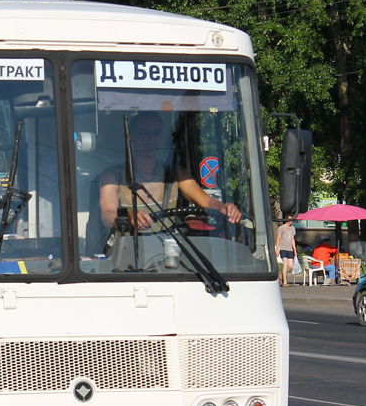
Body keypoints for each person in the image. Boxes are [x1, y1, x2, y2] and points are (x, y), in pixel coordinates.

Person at [99, 111, 241, 232]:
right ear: (133, 137)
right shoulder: (112, 176)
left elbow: (207, 201)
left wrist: (224, 208)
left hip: (168, 252)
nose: (151, 139)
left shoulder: (175, 174)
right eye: (144, 133)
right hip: (128, 254)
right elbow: (107, 215)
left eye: (156, 133)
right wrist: (130, 216)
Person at [276, 217, 296, 286]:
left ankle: (282, 276)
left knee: (290, 266)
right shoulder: (281, 228)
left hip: (290, 249)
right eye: (290, 219)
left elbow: (292, 239)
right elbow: (278, 238)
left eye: (292, 220)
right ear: (286, 220)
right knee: (285, 264)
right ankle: (285, 282)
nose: (291, 221)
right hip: (283, 248)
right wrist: (277, 249)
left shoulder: (292, 228)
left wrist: (294, 250)